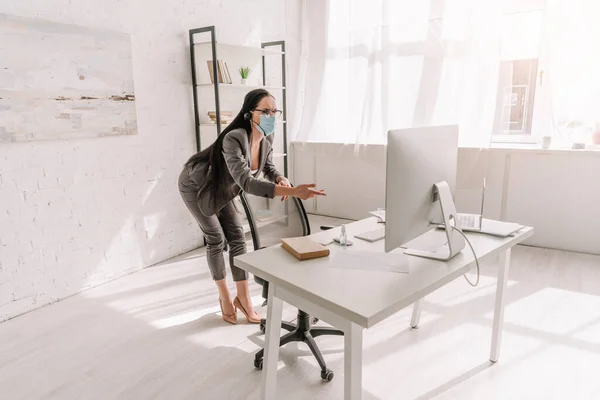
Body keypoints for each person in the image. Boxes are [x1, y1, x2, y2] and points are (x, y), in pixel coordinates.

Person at [178, 89, 326, 325]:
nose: (271, 116)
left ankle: (244, 299)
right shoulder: (233, 138)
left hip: (224, 188)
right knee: (216, 238)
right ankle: (225, 296)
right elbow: (247, 182)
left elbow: (267, 166)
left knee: (237, 236)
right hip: (197, 185)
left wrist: (279, 178)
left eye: (274, 111)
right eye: (265, 111)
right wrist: (293, 191)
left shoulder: (267, 137)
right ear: (249, 114)